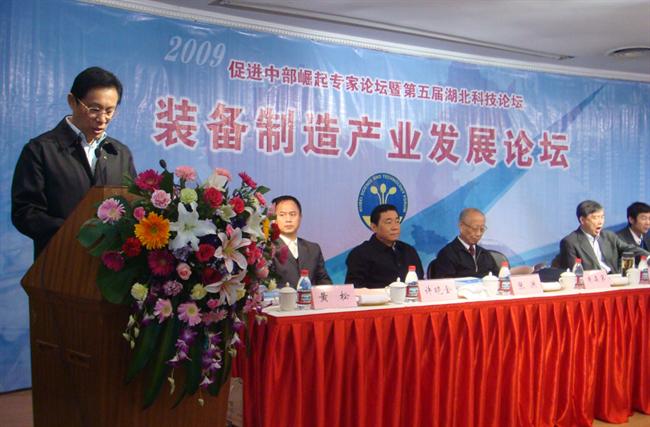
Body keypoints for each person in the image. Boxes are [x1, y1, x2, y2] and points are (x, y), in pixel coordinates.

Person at [12, 67, 136, 258]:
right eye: (94, 109)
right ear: (72, 101)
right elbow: (25, 213)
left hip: (110, 265)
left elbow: (132, 204)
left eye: (109, 111)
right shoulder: (41, 150)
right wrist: (79, 233)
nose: (102, 119)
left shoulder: (120, 153)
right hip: (59, 260)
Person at [558, 200, 648, 273]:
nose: (600, 222)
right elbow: (574, 272)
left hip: (614, 280)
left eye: (602, 217)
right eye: (595, 217)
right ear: (582, 220)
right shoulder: (570, 242)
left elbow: (629, 249)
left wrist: (648, 257)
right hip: (592, 285)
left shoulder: (609, 236)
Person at [345, 204, 423, 288]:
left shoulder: (409, 251)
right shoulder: (360, 254)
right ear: (374, 227)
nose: (395, 227)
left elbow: (421, 282)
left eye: (397, 221)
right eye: (388, 222)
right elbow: (354, 289)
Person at [272, 195, 332, 287]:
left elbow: (324, 282)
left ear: (300, 217)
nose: (288, 220)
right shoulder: (267, 249)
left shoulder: (313, 249)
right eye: (282, 215)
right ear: (273, 219)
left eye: (292, 214)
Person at [432, 208, 499, 279]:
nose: (478, 234)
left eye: (482, 229)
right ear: (461, 226)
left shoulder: (484, 254)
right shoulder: (447, 254)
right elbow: (446, 283)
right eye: (474, 228)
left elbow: (497, 278)